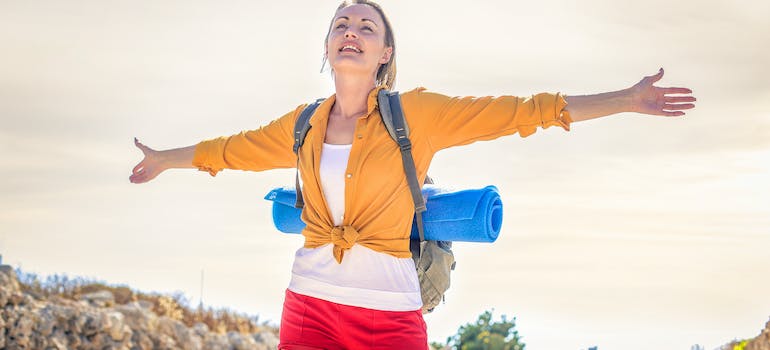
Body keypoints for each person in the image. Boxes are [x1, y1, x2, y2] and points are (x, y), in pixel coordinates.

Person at [129, 1, 696, 349]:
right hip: (308, 310)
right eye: (341, 24)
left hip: (389, 317)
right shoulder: (302, 124)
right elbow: (228, 151)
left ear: (384, 52)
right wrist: (163, 160)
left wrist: (625, 99)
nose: (351, 30)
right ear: (328, 47)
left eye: (366, 26)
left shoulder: (418, 116)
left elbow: (525, 110)